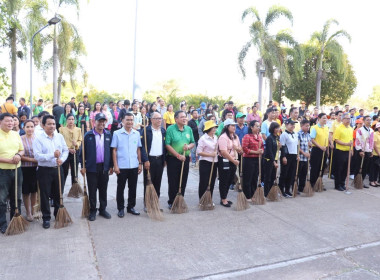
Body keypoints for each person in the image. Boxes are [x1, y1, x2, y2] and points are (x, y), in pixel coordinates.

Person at [33, 115, 68, 229]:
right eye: (49, 124)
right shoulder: (38, 138)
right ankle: (46, 218)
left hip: (58, 168)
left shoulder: (59, 136)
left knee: (59, 194)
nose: (52, 126)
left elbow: (65, 150)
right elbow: (37, 156)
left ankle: (58, 215)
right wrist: (52, 155)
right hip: (44, 170)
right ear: (43, 125)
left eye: (53, 124)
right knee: (44, 195)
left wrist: (61, 159)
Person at [80, 113, 113, 221]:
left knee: (103, 190)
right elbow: (82, 153)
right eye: (99, 121)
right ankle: (93, 210)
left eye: (103, 121)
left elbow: (111, 152)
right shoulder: (88, 135)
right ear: (95, 122)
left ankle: (103, 209)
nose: (102, 123)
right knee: (92, 190)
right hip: (91, 168)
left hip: (104, 167)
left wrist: (111, 166)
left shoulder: (108, 135)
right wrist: (82, 166)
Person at [111, 112, 142, 217]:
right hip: (122, 166)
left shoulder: (136, 134)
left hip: (134, 165)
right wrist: (115, 165)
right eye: (127, 120)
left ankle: (131, 207)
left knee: (133, 188)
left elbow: (138, 149)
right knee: (121, 188)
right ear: (122, 121)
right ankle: (120, 208)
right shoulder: (117, 133)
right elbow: (114, 150)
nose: (130, 122)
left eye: (131, 120)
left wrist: (140, 163)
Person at [0, 113, 25, 234]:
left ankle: (14, 221)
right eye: (7, 121)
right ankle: (2, 224)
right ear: (1, 122)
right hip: (2, 171)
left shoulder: (16, 134)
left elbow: (22, 149)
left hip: (17, 170)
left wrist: (18, 155)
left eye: (12, 121)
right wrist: (9, 160)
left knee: (17, 197)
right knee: (2, 199)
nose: (10, 123)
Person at [165, 110, 195, 209]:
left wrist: (188, 147)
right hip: (173, 159)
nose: (184, 118)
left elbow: (192, 142)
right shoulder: (170, 129)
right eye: (182, 117)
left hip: (185, 159)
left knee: (183, 179)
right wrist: (178, 155)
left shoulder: (188, 129)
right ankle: (172, 201)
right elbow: (167, 144)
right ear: (176, 119)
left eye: (185, 117)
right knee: (173, 180)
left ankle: (180, 199)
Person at [140, 112, 166, 211]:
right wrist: (145, 160)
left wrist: (164, 160)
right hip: (149, 160)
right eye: (157, 118)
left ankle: (155, 202)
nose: (159, 120)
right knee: (148, 182)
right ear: (151, 120)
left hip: (159, 159)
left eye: (160, 118)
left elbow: (164, 146)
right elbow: (142, 146)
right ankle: (147, 204)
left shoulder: (163, 131)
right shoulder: (146, 131)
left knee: (157, 182)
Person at [217, 119, 242, 207]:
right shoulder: (223, 137)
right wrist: (233, 160)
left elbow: (240, 148)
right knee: (224, 179)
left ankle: (225, 197)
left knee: (230, 179)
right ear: (227, 127)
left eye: (235, 126)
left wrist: (237, 148)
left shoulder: (235, 136)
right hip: (225, 161)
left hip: (233, 160)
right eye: (232, 126)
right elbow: (223, 152)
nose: (234, 127)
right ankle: (223, 199)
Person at [20, 120, 38, 222]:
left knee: (34, 190)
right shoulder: (20, 139)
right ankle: (28, 212)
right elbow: (19, 155)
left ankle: (34, 210)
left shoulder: (37, 138)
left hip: (36, 169)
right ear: (24, 128)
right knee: (26, 191)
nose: (30, 129)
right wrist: (32, 160)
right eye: (27, 127)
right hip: (25, 168)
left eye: (32, 126)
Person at [242, 120, 263, 202]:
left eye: (259, 126)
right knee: (248, 178)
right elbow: (245, 149)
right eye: (257, 126)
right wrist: (256, 152)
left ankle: (253, 194)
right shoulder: (247, 136)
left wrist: (261, 151)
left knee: (255, 177)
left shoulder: (259, 136)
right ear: (251, 127)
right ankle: (247, 195)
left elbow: (262, 147)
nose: (258, 128)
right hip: (248, 159)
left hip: (257, 159)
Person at [196, 120, 218, 201]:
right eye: (213, 128)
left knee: (211, 182)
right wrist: (210, 155)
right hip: (205, 162)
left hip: (214, 162)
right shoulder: (203, 138)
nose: (215, 129)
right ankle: (202, 200)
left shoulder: (215, 137)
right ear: (209, 129)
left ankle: (209, 199)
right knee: (204, 182)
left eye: (215, 128)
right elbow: (199, 152)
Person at [59, 114, 82, 187]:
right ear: (66, 120)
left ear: (75, 120)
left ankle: (74, 189)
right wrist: (68, 149)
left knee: (75, 172)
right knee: (64, 171)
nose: (71, 121)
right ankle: (61, 189)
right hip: (65, 152)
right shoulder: (61, 129)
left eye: (72, 119)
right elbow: (60, 141)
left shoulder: (78, 129)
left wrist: (76, 144)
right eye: (69, 119)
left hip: (75, 151)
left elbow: (80, 140)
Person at [278, 119, 299, 197]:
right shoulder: (284, 134)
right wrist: (283, 156)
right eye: (291, 124)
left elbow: (297, 145)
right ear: (286, 125)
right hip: (287, 155)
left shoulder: (295, 134)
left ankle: (287, 190)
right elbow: (282, 146)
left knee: (291, 174)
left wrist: (297, 155)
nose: (293, 126)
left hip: (294, 155)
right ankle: (281, 189)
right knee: (284, 173)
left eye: (294, 124)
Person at [332, 113, 353, 191]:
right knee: (339, 168)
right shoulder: (339, 128)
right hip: (340, 151)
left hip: (348, 151)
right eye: (346, 119)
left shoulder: (350, 128)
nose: (348, 120)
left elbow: (351, 140)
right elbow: (336, 139)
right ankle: (337, 185)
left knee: (345, 169)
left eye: (349, 119)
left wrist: (351, 150)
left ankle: (342, 183)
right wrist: (345, 144)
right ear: (343, 119)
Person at [310, 113, 329, 188]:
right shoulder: (314, 128)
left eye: (326, 118)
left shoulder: (326, 128)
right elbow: (312, 139)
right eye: (323, 118)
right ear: (319, 119)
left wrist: (327, 150)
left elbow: (327, 139)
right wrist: (320, 147)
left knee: (322, 167)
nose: (325, 120)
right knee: (315, 167)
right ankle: (312, 183)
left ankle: (319, 183)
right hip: (317, 149)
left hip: (324, 149)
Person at [354, 115, 374, 188]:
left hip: (368, 150)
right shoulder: (360, 130)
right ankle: (356, 182)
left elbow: (371, 141)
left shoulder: (371, 130)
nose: (369, 121)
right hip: (361, 150)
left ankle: (361, 181)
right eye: (367, 120)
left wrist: (371, 150)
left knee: (365, 167)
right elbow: (358, 140)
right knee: (359, 166)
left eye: (370, 120)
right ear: (364, 121)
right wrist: (360, 150)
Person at [263, 122, 281, 197]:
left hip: (275, 158)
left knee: (273, 176)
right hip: (269, 160)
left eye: (278, 128)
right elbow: (269, 151)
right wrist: (273, 161)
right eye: (276, 128)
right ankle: (266, 193)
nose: (278, 129)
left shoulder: (277, 137)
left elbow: (277, 149)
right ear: (273, 129)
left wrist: (279, 147)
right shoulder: (269, 138)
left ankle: (271, 191)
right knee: (268, 176)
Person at [297, 119, 312, 192]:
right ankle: (295, 187)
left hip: (306, 159)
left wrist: (310, 146)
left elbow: (309, 146)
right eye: (306, 126)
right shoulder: (298, 134)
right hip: (300, 157)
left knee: (304, 174)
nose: (308, 127)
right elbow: (297, 147)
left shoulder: (308, 135)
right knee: (297, 173)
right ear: (301, 126)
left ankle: (301, 188)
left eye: (308, 126)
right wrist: (304, 153)